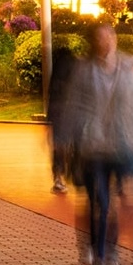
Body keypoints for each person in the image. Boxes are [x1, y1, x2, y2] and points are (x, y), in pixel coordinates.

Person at [63, 22, 133, 265]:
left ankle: (112, 252)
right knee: (101, 202)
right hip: (94, 148)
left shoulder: (127, 67)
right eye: (101, 37)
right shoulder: (84, 71)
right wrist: (63, 140)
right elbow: (73, 106)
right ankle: (99, 260)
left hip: (122, 146)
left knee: (126, 201)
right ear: (94, 41)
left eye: (110, 36)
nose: (107, 41)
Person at [47, 43, 78, 193]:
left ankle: (58, 177)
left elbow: (51, 96)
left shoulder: (56, 73)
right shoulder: (74, 69)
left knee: (58, 147)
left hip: (58, 115)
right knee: (69, 146)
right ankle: (67, 174)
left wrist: (49, 119)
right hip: (70, 114)